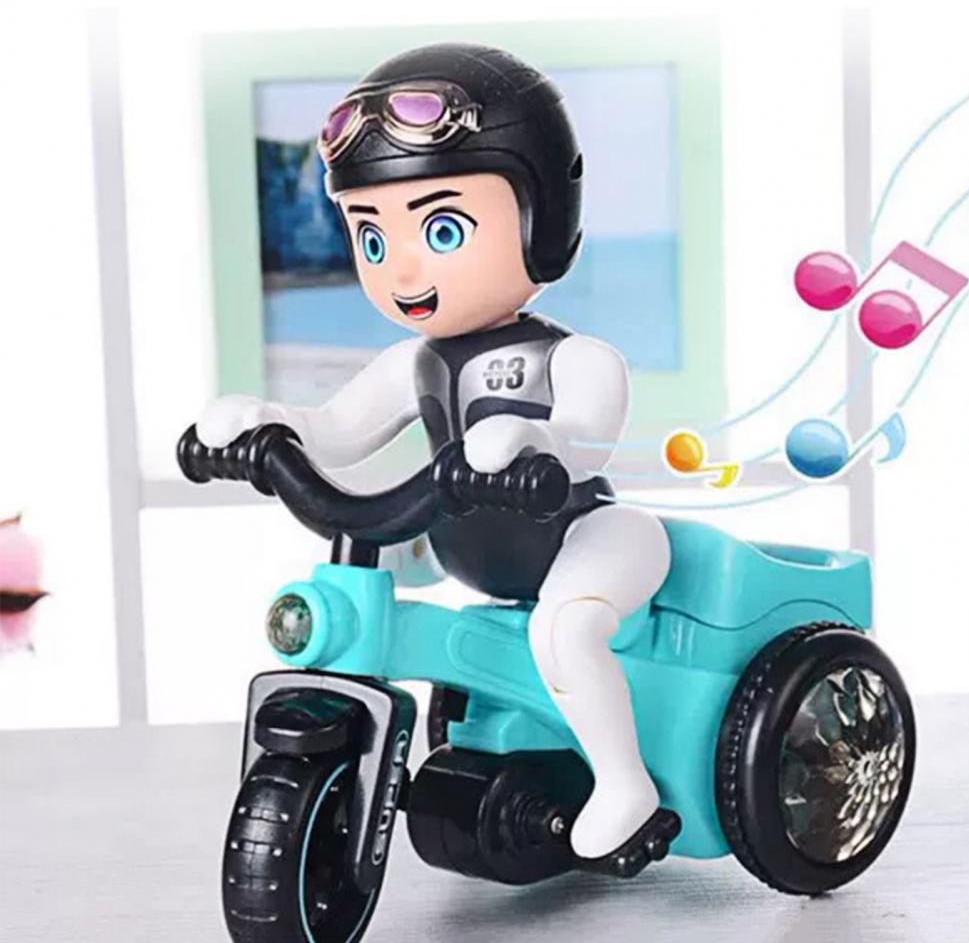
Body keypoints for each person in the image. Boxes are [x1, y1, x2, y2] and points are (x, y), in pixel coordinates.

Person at [197, 43, 672, 862]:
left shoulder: (576, 359)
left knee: (565, 631)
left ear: (540, 221)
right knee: (372, 574)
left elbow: (586, 440)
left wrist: (533, 439)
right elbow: (336, 428)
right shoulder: (410, 362)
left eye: (442, 228)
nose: (402, 269)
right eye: (372, 239)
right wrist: (262, 424)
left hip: (592, 539)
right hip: (469, 547)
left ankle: (624, 783)